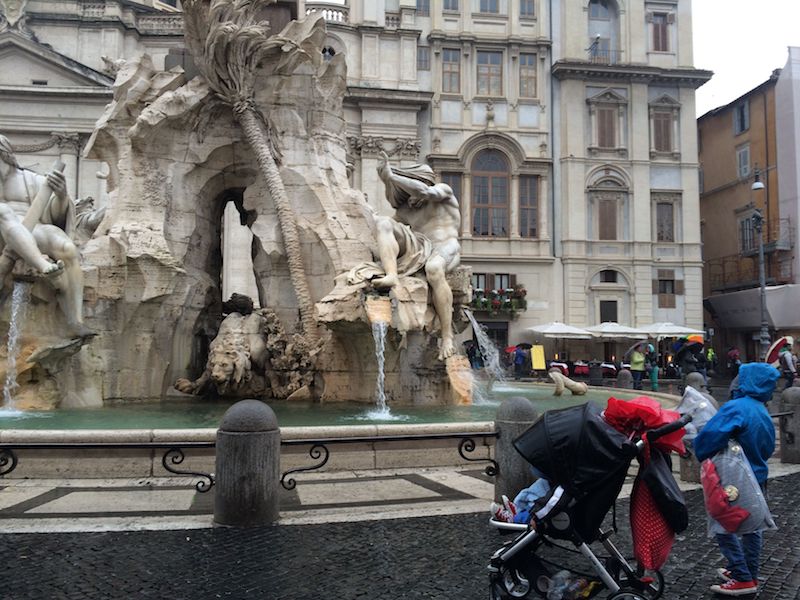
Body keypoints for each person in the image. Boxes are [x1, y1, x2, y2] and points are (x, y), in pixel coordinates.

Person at [693, 362, 781, 596]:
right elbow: (768, 447)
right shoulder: (761, 408)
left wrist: (697, 447)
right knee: (752, 527)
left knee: (723, 522)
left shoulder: (737, 407)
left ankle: (742, 576)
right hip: (758, 476)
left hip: (734, 479)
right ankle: (747, 572)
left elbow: (710, 437)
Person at [0, 134, 91, 338]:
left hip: (33, 230)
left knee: (67, 249)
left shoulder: (32, 180)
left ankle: (75, 320)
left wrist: (60, 195)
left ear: (3, 154)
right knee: (3, 212)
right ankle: (44, 266)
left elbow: (56, 215)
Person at [372, 151, 461, 360]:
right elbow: (386, 225)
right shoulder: (405, 211)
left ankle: (447, 337)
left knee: (434, 268)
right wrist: (386, 182)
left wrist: (392, 176)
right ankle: (392, 274)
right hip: (421, 247)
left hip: (446, 247)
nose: (409, 197)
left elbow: (425, 192)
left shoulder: (442, 192)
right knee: (383, 223)